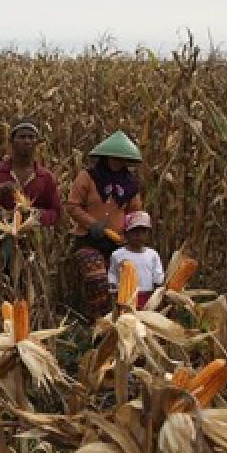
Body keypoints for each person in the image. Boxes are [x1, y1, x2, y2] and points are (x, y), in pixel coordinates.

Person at [66, 130, 144, 319]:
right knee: (97, 278)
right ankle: (100, 322)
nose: (118, 161)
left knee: (122, 283)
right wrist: (92, 224)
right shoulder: (88, 177)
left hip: (117, 243)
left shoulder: (130, 185)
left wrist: (129, 234)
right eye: (115, 157)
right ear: (106, 156)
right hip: (88, 240)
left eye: (122, 158)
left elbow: (134, 213)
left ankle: (120, 322)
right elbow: (72, 205)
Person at [0, 119, 62, 226]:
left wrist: (35, 215)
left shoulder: (45, 177)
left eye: (31, 137)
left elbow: (56, 212)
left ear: (36, 143)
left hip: (35, 238)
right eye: (22, 137)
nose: (27, 141)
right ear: (11, 141)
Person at [107, 211, 164, 309]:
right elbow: (113, 274)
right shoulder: (117, 255)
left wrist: (161, 288)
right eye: (135, 231)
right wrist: (113, 290)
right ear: (126, 233)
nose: (139, 235)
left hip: (147, 296)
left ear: (148, 234)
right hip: (125, 297)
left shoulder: (152, 254)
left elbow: (158, 276)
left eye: (143, 232)